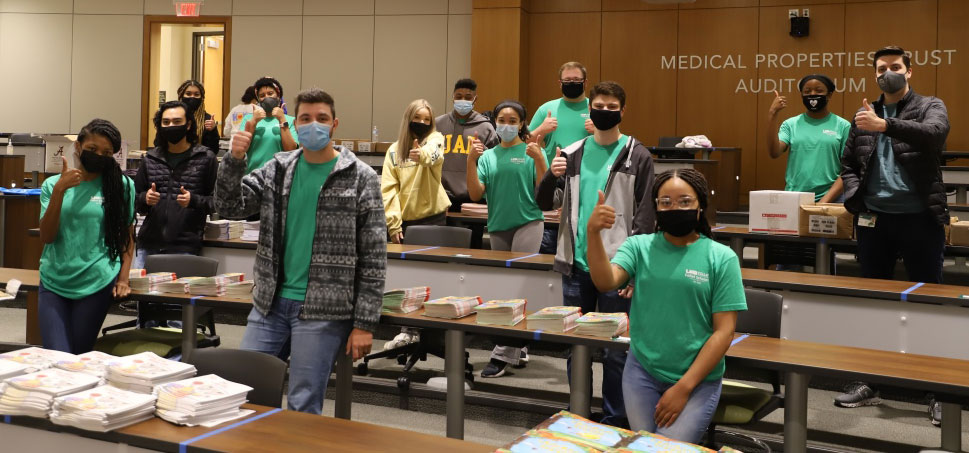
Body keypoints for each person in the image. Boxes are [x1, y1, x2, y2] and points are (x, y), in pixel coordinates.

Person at [215, 88, 385, 415]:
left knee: (303, 402)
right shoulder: (279, 168)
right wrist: (234, 160)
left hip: (323, 309)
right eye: (305, 119)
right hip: (270, 303)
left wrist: (365, 323)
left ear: (334, 124)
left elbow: (374, 256)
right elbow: (230, 206)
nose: (313, 125)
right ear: (295, 125)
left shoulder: (361, 177)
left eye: (321, 119)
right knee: (243, 391)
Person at [586, 168, 747, 443]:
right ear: (656, 208)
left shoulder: (722, 258)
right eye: (665, 202)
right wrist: (592, 233)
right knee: (645, 447)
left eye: (685, 201)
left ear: (700, 206)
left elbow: (724, 332)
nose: (675, 208)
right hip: (642, 371)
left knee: (664, 449)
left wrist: (684, 387)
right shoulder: (638, 246)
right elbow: (605, 281)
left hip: (696, 379)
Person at [837, 46, 950, 425]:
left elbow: (935, 136)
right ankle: (870, 380)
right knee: (874, 302)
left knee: (928, 304)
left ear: (909, 71)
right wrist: (856, 195)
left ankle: (936, 389)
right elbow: (848, 163)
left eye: (896, 67)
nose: (889, 72)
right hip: (875, 222)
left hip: (921, 219)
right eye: (882, 68)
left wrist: (885, 125)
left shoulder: (930, 105)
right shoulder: (862, 114)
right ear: (874, 75)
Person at [535, 81, 656, 426]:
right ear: (590, 110)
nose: (604, 112)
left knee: (617, 350)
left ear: (622, 111)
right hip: (575, 265)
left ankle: (617, 419)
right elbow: (545, 204)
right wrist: (549, 176)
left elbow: (646, 217)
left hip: (619, 267)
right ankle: (580, 415)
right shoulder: (571, 152)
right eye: (598, 106)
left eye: (610, 107)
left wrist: (637, 268)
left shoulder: (638, 155)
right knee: (577, 346)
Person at [38, 119, 135, 353]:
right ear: (79, 147)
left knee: (78, 357)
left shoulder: (121, 185)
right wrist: (60, 190)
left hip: (96, 281)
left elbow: (127, 237)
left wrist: (123, 278)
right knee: (56, 356)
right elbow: (47, 236)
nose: (98, 155)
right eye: (92, 149)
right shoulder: (53, 184)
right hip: (53, 279)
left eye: (106, 152)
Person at [467, 100, 547, 377]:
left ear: (522, 124)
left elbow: (545, 192)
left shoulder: (532, 151)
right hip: (498, 226)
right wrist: (470, 160)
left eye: (513, 120)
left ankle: (502, 355)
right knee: (503, 290)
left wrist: (539, 159)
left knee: (517, 289)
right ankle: (517, 344)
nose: (507, 125)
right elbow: (476, 193)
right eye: (502, 119)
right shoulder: (488, 156)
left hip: (528, 223)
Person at [133, 100, 218, 269]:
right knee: (141, 295)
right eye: (166, 122)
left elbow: (218, 202)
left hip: (185, 246)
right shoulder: (150, 158)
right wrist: (145, 198)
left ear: (188, 125)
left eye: (177, 122)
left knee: (177, 295)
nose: (171, 126)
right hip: (148, 245)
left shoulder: (205, 158)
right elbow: (134, 200)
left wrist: (193, 200)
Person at [528, 61, 594, 254]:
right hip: (552, 184)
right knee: (549, 246)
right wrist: (542, 129)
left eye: (576, 80)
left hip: (585, 183)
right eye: (567, 80)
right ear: (560, 83)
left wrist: (596, 130)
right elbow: (524, 143)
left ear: (585, 82)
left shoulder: (595, 107)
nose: (571, 83)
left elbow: (613, 140)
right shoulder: (547, 109)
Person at [767, 74, 851, 203]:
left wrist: (823, 202)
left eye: (818, 90)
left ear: (829, 95)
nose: (812, 94)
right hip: (795, 197)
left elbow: (847, 170)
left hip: (832, 199)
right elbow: (774, 152)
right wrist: (772, 114)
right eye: (807, 91)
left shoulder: (843, 126)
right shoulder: (790, 124)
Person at [381, 99, 449, 244]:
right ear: (408, 118)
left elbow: (434, 153)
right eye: (417, 117)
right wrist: (393, 225)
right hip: (402, 223)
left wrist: (421, 155)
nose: (422, 122)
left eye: (427, 119)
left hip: (433, 219)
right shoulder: (394, 151)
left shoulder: (436, 139)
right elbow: (388, 190)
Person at [436, 78, 499, 210]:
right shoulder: (438, 124)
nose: (463, 100)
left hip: (473, 197)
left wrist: (483, 151)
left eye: (468, 97)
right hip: (441, 197)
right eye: (459, 96)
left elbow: (495, 162)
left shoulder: (485, 127)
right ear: (453, 98)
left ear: (475, 99)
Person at [237, 76, 299, 173]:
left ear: (278, 96)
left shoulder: (290, 120)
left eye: (270, 93)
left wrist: (282, 119)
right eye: (262, 95)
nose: (266, 97)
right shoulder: (248, 119)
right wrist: (253, 121)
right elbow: (240, 149)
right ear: (258, 99)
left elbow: (291, 151)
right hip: (252, 176)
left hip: (279, 177)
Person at [177, 80, 221, 154]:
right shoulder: (173, 117)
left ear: (202, 98)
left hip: (200, 161)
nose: (192, 97)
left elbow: (213, 150)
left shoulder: (207, 119)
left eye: (196, 94)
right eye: (188, 94)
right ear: (181, 96)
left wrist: (212, 131)